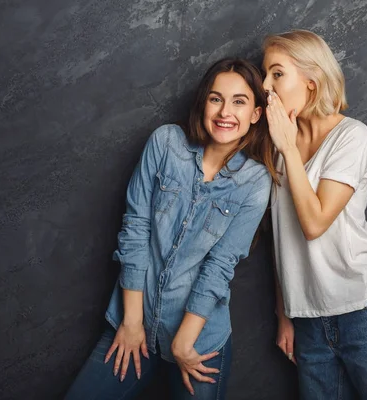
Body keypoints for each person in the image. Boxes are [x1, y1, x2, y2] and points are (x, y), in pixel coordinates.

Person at [65, 58, 277, 400]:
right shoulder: (166, 143)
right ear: (203, 103)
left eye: (239, 101)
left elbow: (220, 266)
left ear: (255, 113)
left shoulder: (254, 182)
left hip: (198, 343)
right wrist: (133, 323)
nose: (225, 111)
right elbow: (135, 228)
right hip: (132, 322)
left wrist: (183, 341)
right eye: (216, 98)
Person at [262, 29, 367, 399]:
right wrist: (285, 314)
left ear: (311, 83)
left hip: (365, 312)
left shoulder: (352, 136)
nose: (265, 86)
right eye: (264, 75)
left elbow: (314, 223)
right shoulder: (276, 144)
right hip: (308, 321)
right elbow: (281, 237)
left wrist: (288, 147)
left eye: (277, 74)